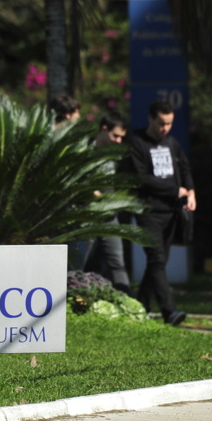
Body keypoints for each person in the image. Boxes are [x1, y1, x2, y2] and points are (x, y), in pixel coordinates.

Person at [122, 99, 195, 325]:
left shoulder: (171, 143)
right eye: (161, 123)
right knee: (156, 258)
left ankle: (141, 307)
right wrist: (176, 190)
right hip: (148, 211)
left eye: (169, 123)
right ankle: (169, 312)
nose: (165, 128)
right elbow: (141, 178)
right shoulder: (137, 144)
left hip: (171, 212)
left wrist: (190, 191)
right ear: (151, 119)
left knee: (158, 264)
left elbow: (184, 167)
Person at [84, 113, 132, 294]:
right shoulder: (85, 150)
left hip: (109, 216)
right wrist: (94, 195)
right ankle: (70, 302)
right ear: (104, 129)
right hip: (86, 215)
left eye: (122, 137)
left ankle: (129, 305)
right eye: (116, 136)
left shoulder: (114, 155)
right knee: (80, 262)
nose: (119, 141)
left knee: (117, 261)